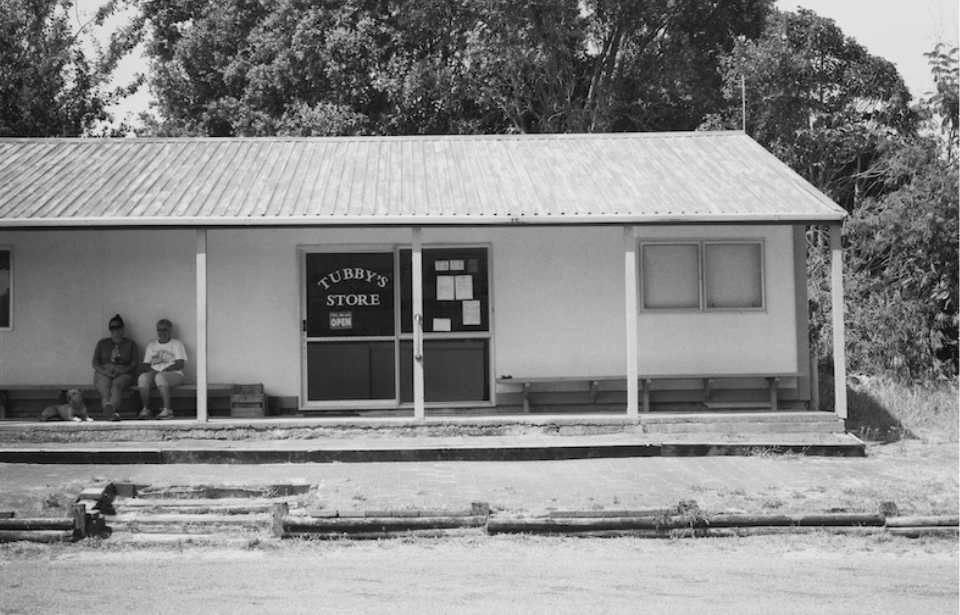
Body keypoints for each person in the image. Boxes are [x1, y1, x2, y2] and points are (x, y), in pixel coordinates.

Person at [91, 315, 139, 422]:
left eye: (118, 327)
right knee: (105, 389)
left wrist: (122, 371)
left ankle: (110, 410)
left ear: (122, 328)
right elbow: (95, 362)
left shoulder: (130, 344)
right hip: (104, 372)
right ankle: (111, 414)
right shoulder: (102, 343)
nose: (115, 330)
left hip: (123, 372)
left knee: (116, 387)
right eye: (112, 328)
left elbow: (134, 363)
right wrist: (104, 371)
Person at [138, 318, 187, 420]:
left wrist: (167, 370)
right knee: (142, 378)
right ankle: (146, 409)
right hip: (155, 373)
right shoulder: (151, 346)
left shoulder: (176, 344)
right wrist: (152, 371)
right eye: (159, 330)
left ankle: (167, 409)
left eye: (165, 330)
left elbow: (180, 364)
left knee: (160, 377)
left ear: (170, 331)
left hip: (174, 374)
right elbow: (145, 364)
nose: (162, 333)